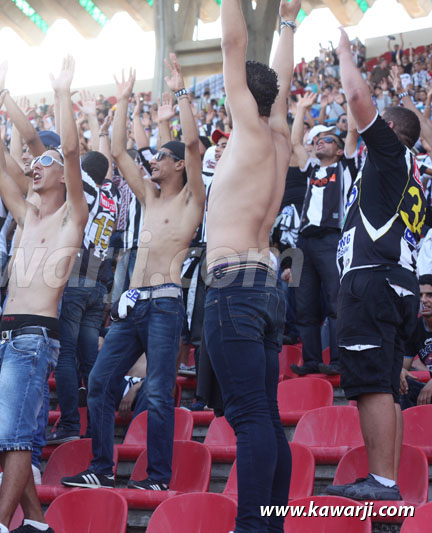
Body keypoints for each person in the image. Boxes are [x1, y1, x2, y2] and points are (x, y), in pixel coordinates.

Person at [62, 53, 203, 492]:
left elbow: (194, 146)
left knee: (159, 392)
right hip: (132, 306)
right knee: (101, 382)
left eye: (162, 156)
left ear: (179, 165)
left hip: (164, 304)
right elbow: (119, 150)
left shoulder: (190, 200)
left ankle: (158, 478)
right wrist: (121, 101)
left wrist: (181, 95)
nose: (153, 161)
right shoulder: (148, 196)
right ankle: (102, 468)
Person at [0, 57, 88, 533]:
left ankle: (0, 525)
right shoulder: (26, 217)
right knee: (0, 441)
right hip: (3, 337)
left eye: (46, 163)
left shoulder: (72, 217)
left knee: (16, 436)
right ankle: (38, 523)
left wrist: (62, 93)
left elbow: (70, 151)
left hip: (34, 337)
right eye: (34, 162)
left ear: (62, 175)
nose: (35, 166)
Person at [202, 0, 300, 530]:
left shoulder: (247, 130)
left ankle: (252, 526)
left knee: (251, 418)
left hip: (235, 289)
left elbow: (232, 46)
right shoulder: (278, 137)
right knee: (265, 417)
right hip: (263, 287)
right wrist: (286, 23)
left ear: (239, 90)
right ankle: (271, 524)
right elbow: (278, 81)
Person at [327, 27, 427, 501]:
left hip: (373, 283)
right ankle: (387, 482)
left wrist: (345, 53)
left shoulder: (389, 157)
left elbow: (355, 94)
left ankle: (383, 482)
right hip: (398, 284)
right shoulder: (415, 180)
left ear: (388, 133)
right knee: (385, 387)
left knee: (370, 387)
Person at [47, 149, 118, 445]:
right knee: (90, 360)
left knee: (65, 354)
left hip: (76, 276)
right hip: (98, 280)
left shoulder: (84, 185)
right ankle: (98, 427)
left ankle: (69, 423)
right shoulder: (110, 196)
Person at [288, 97, 359, 377]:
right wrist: (302, 110)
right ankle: (312, 361)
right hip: (304, 242)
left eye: (328, 141)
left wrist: (351, 102)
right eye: (318, 140)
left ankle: (339, 360)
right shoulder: (312, 170)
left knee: (335, 302)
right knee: (304, 305)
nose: (320, 142)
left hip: (333, 239)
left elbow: (352, 132)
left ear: (341, 151)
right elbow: (296, 144)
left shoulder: (346, 168)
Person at [399, 275, 432, 409]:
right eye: (420, 295)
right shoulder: (414, 328)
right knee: (400, 383)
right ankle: (409, 429)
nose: (423, 300)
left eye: (429, 295)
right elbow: (403, 366)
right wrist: (400, 371)